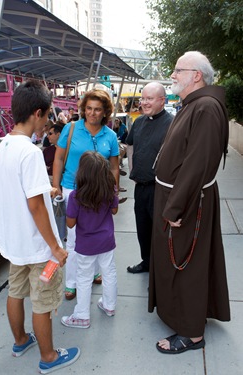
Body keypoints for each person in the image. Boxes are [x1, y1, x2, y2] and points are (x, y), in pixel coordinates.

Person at [0, 80, 80, 373]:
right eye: (48, 114)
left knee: (15, 293)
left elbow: (6, 191)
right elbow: (35, 206)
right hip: (39, 247)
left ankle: (20, 341)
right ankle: (49, 357)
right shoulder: (30, 152)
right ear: (38, 113)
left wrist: (45, 190)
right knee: (42, 302)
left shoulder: (3, 146)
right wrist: (55, 247)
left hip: (14, 244)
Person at [149, 51, 230, 354]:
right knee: (183, 264)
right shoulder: (195, 105)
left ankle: (192, 333)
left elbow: (197, 165)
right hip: (177, 196)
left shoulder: (206, 108)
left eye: (178, 70)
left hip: (186, 201)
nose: (172, 74)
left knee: (187, 265)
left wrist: (173, 207)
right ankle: (185, 315)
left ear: (196, 75)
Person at [52, 88, 119, 300]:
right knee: (73, 237)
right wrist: (56, 187)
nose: (92, 113)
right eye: (89, 108)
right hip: (73, 189)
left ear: (105, 112)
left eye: (97, 109)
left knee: (99, 231)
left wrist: (113, 191)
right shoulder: (71, 129)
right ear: (83, 109)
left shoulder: (111, 136)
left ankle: (95, 271)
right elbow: (59, 159)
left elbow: (115, 167)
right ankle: (71, 282)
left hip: (101, 190)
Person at [61, 151, 118, 328]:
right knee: (109, 272)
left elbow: (70, 224)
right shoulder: (110, 190)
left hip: (86, 244)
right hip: (107, 241)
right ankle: (109, 306)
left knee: (84, 278)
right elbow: (114, 211)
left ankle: (82, 316)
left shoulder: (76, 197)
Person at [126, 82, 173, 274]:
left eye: (149, 99)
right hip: (141, 187)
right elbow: (129, 145)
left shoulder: (172, 124)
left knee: (160, 232)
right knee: (143, 229)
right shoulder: (138, 122)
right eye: (143, 98)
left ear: (162, 100)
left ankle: (160, 272)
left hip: (160, 189)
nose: (144, 103)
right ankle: (147, 263)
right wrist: (132, 169)